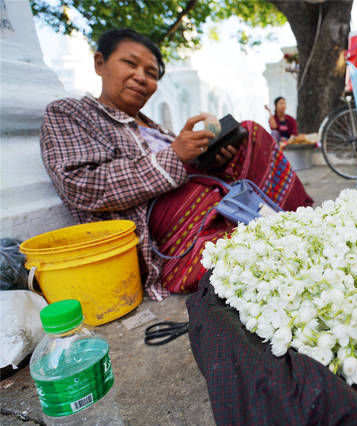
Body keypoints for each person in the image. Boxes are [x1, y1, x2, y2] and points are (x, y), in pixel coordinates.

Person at [40, 29, 313, 301]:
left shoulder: (155, 128)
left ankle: (298, 225)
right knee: (203, 196)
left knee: (249, 134)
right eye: (130, 63)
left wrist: (209, 161)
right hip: (152, 222)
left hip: (193, 186)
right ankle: (260, 249)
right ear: (100, 63)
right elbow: (82, 186)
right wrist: (176, 156)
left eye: (151, 73)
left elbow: (182, 166)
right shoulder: (68, 113)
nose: (141, 77)